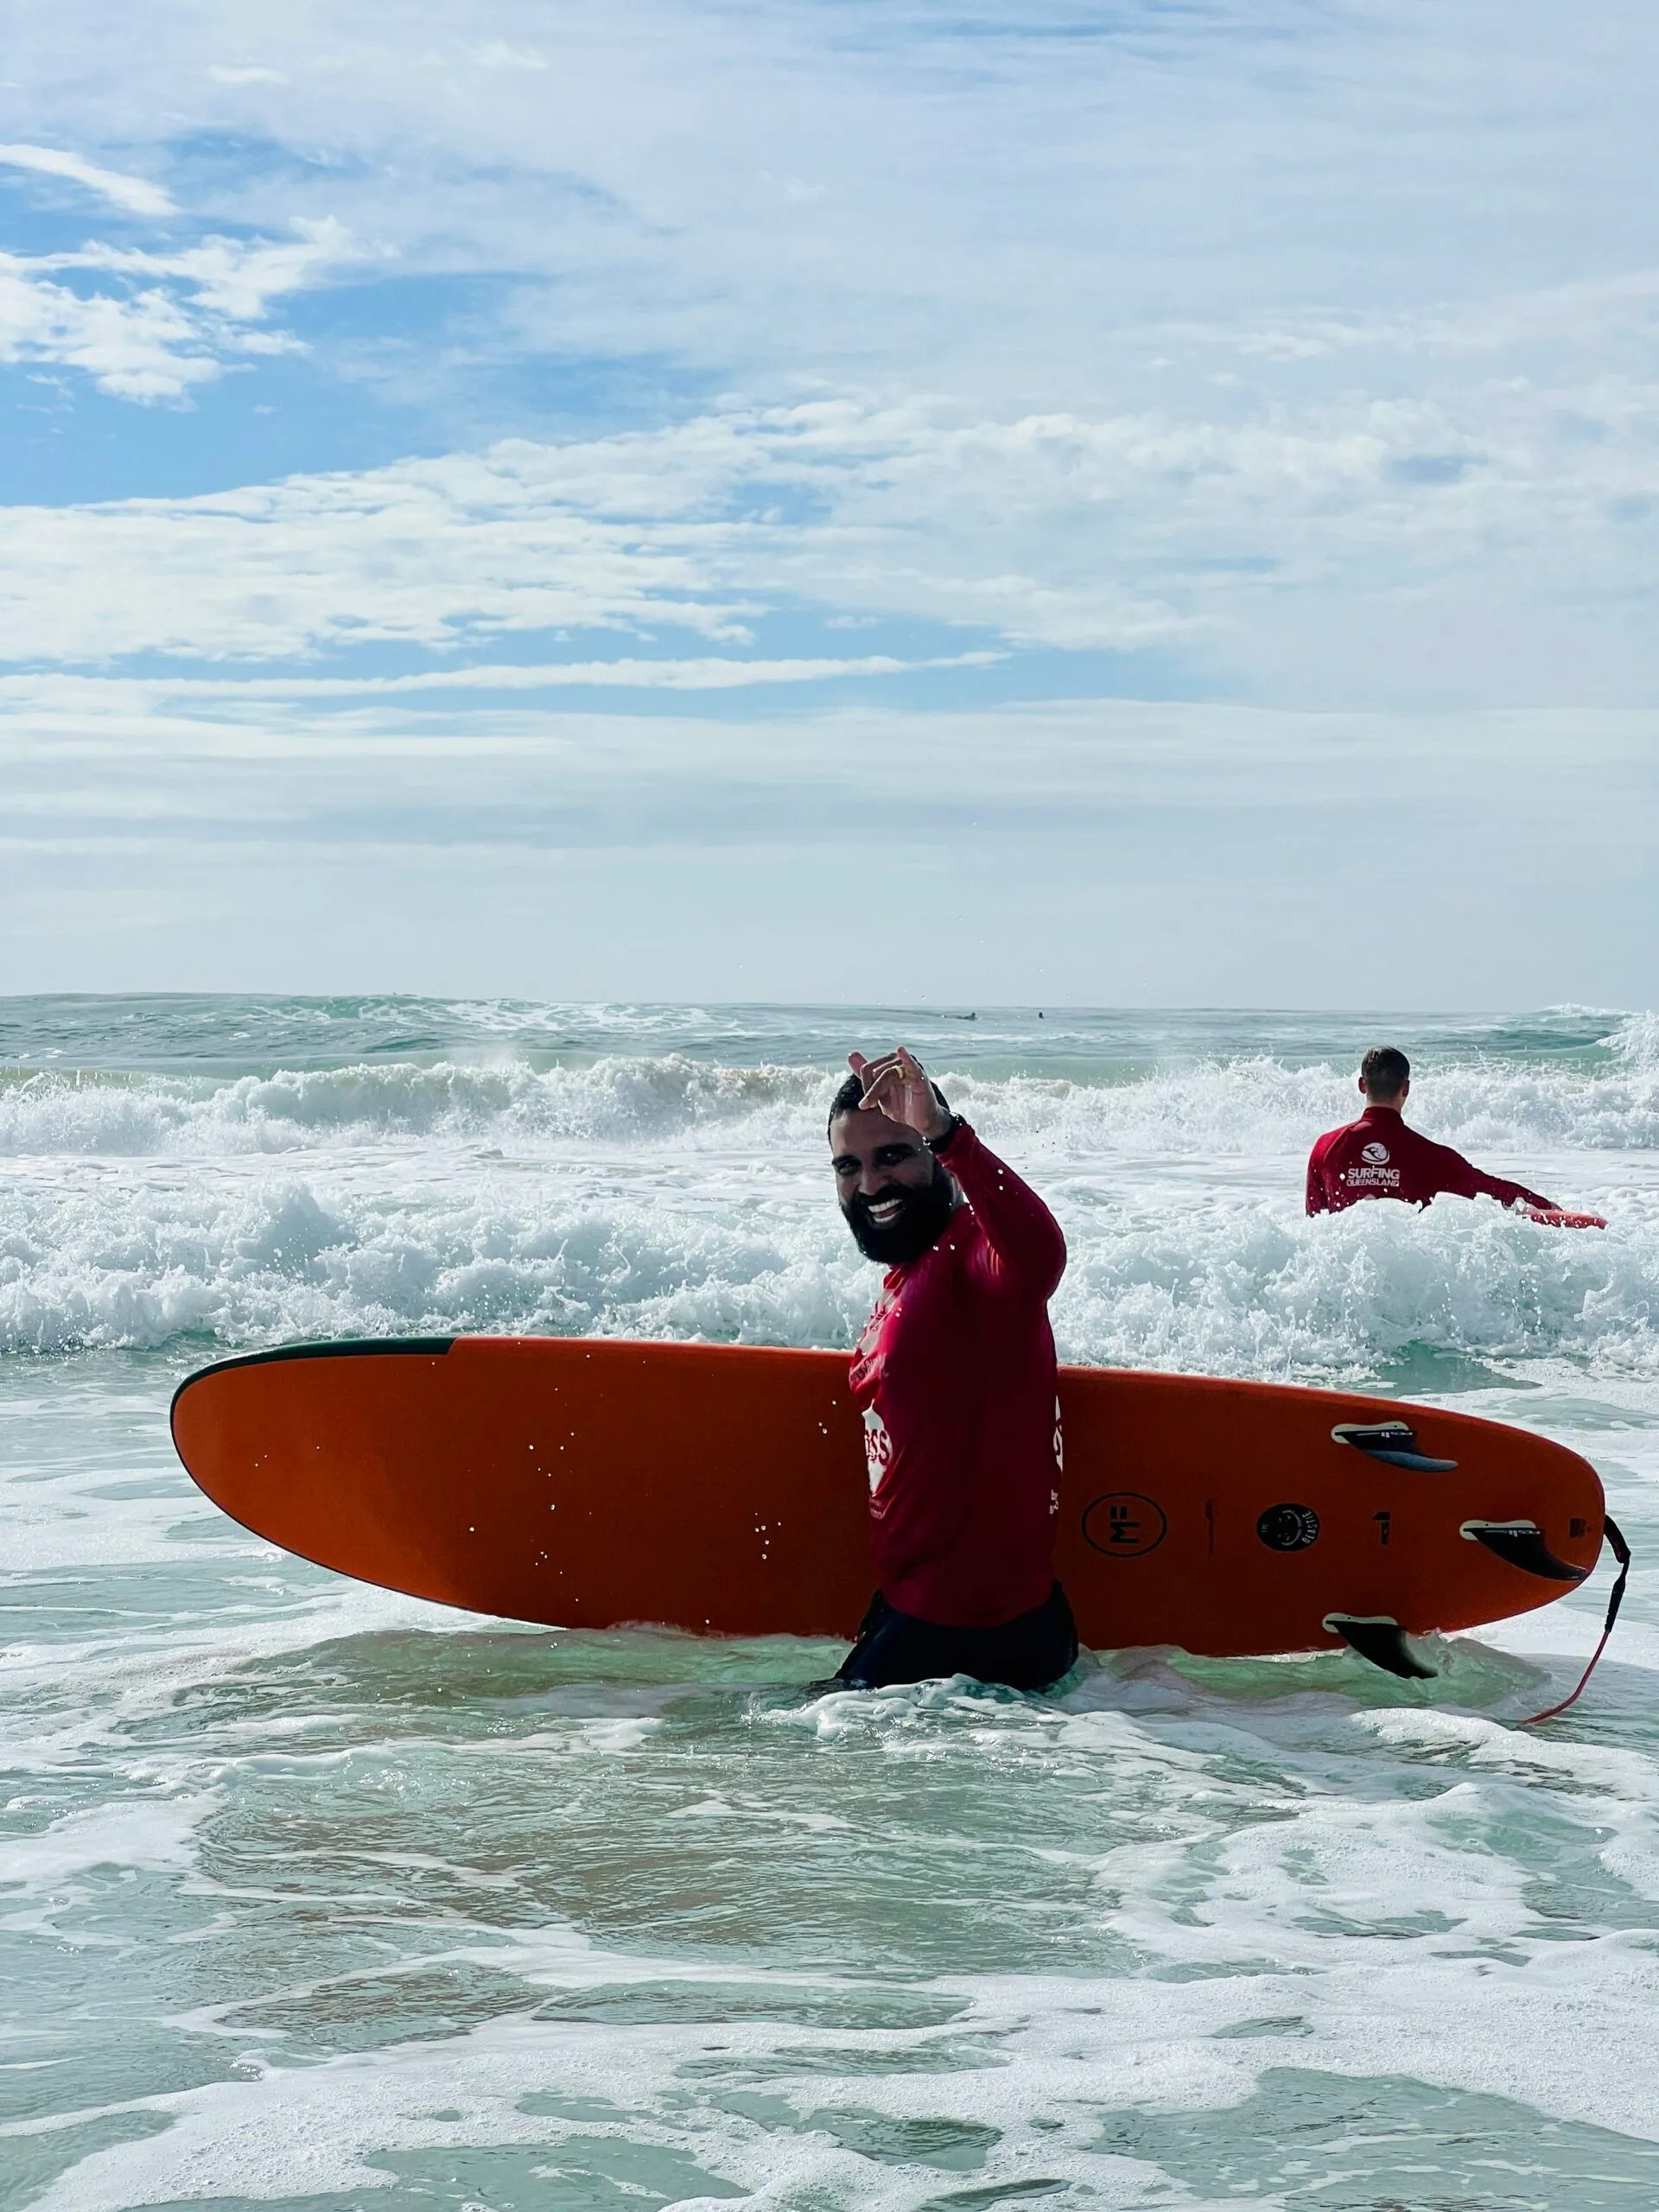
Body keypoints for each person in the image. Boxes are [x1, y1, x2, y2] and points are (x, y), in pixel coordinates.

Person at [826, 1046, 1077, 1692]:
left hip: (972, 1644)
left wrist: (947, 1133)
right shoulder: (908, 1273)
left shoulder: (972, 1256)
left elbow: (1040, 1256)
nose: (871, 1184)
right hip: (910, 1618)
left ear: (935, 1161)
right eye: (848, 1166)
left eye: (893, 1156)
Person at [1306, 1046, 1557, 1217]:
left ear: (1362, 1086)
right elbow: (1489, 1188)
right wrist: (1548, 1208)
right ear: (1405, 1089)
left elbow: (1313, 1224)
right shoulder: (1429, 1156)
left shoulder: (1325, 1148)